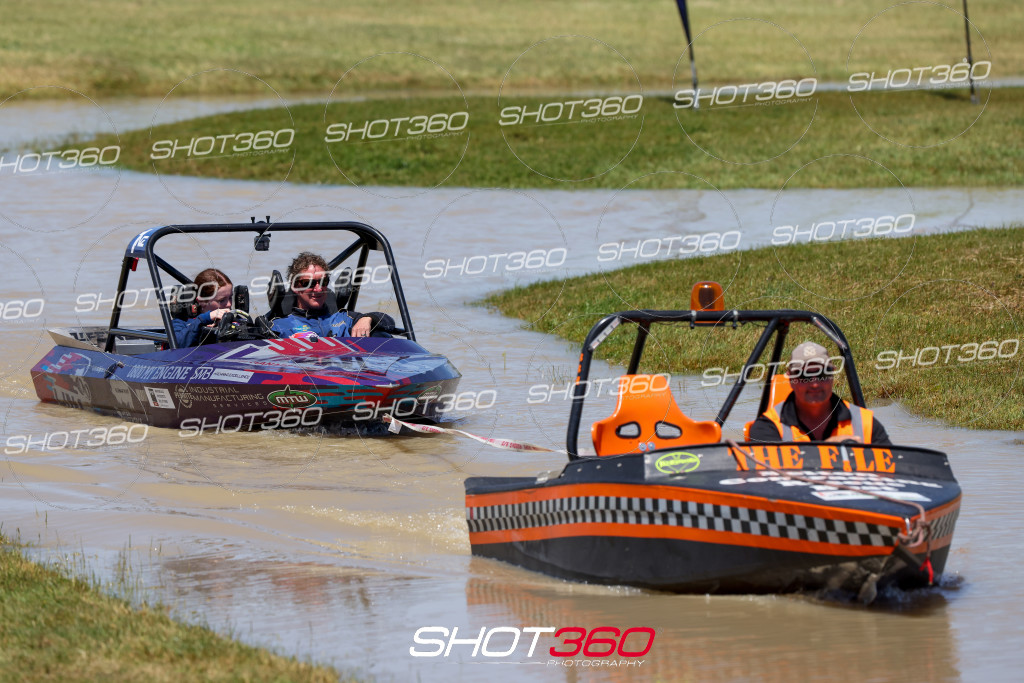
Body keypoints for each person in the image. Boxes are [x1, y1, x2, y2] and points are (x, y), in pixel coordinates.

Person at [748, 341, 892, 445]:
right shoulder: (767, 428)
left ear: (832, 375)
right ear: (790, 379)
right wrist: (829, 448)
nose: (815, 383)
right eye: (804, 376)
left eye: (822, 373)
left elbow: (893, 471)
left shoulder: (867, 424)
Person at [270, 252, 375, 338]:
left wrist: (368, 318)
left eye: (323, 282)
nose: (318, 289)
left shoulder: (343, 318)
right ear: (295, 286)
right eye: (309, 283)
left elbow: (384, 321)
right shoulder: (278, 327)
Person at [172, 268, 233, 347]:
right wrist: (205, 319)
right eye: (221, 300)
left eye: (230, 297)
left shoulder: (236, 320)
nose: (229, 304)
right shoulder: (181, 323)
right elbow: (176, 344)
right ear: (202, 302)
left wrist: (225, 324)